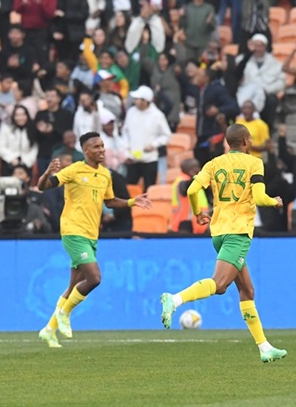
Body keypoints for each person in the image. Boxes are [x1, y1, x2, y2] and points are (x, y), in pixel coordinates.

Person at [160, 124, 287, 363]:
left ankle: (264, 347)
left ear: (228, 143)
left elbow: (192, 189)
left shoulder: (213, 164)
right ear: (247, 141)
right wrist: (275, 201)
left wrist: (198, 212)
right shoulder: (254, 163)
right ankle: (175, 299)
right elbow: (259, 197)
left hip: (218, 231)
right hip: (238, 231)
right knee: (219, 285)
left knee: (247, 290)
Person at [36, 132, 151, 348]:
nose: (101, 150)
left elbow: (110, 201)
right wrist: (46, 173)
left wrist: (132, 201)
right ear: (86, 151)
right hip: (73, 231)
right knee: (95, 278)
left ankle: (49, 330)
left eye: (102, 146)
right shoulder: (74, 170)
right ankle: (65, 313)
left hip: (91, 235)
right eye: (96, 147)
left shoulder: (105, 174)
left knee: (72, 287)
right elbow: (44, 186)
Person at [170, 158, 209, 235]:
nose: (198, 169)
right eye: (195, 167)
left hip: (196, 221)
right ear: (188, 169)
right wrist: (193, 177)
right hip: (185, 222)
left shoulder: (194, 181)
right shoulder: (181, 181)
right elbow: (184, 189)